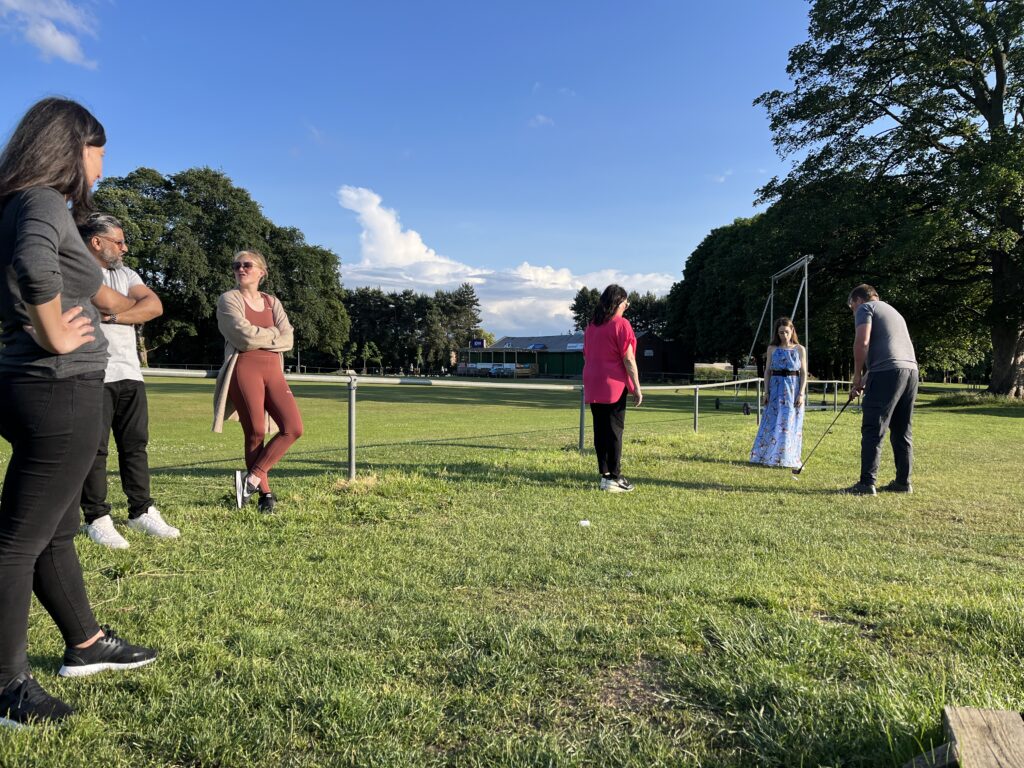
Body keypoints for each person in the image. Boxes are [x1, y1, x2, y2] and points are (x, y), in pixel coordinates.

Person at [0, 98, 157, 728]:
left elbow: (83, 284)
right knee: (17, 541)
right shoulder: (42, 202)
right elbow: (34, 267)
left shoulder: (17, 203)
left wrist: (101, 306)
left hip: (33, 384)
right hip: (58, 386)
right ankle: (8, 686)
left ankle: (86, 643)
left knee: (55, 528)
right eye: (99, 150)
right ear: (73, 147)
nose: (101, 165)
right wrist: (58, 334)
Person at [78, 213, 180, 548]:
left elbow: (154, 306)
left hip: (130, 373)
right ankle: (97, 518)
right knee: (95, 450)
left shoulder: (126, 273)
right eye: (118, 241)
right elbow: (133, 304)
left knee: (135, 446)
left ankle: (141, 511)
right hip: (93, 371)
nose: (124, 247)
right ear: (97, 242)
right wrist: (129, 310)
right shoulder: (79, 269)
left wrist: (113, 316)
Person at [212, 250, 302, 513]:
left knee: (293, 427)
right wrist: (274, 334)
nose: (241, 269)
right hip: (244, 369)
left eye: (247, 265)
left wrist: (268, 336)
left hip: (273, 372)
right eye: (236, 265)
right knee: (256, 433)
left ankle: (250, 479)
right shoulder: (229, 299)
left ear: (262, 272)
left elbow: (290, 340)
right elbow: (243, 338)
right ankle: (265, 495)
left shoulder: (272, 302)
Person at [844, 284, 918, 495]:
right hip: (910, 371)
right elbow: (889, 353)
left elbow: (862, 342)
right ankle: (903, 483)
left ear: (857, 300)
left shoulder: (866, 309)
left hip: (887, 373)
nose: (853, 312)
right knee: (902, 430)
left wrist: (857, 374)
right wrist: (864, 381)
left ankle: (866, 483)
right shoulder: (894, 312)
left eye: (852, 307)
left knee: (873, 428)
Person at [583, 284, 642, 492]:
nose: (627, 305)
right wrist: (636, 386)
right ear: (619, 302)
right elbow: (628, 358)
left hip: (592, 382)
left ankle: (605, 475)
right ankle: (615, 477)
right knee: (615, 430)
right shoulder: (622, 324)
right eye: (626, 301)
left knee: (600, 430)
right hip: (613, 384)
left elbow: (587, 354)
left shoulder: (591, 326)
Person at [750, 317, 806, 468]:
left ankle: (788, 456)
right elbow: (767, 371)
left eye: (786, 332)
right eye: (781, 332)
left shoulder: (799, 349)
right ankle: (768, 455)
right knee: (772, 421)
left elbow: (804, 373)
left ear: (792, 331)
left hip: (793, 389)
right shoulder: (772, 349)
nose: (784, 335)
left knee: (789, 423)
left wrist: (801, 393)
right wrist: (766, 392)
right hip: (775, 388)